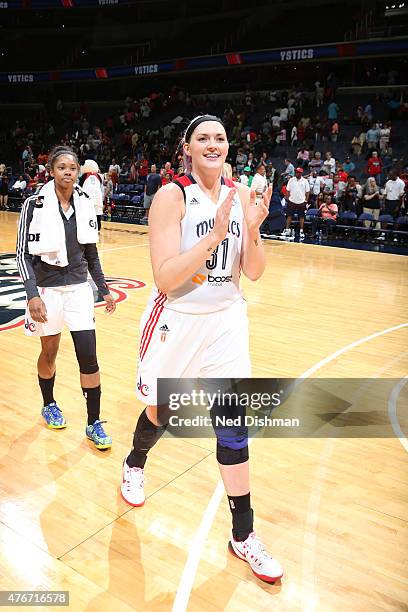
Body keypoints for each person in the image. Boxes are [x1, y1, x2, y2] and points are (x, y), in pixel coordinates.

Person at [120, 115, 283, 583]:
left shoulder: (241, 192)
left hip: (227, 319)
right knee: (161, 412)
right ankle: (135, 462)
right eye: (203, 138)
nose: (213, 144)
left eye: (220, 138)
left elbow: (253, 272)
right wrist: (214, 234)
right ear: (187, 148)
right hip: (178, 320)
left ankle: (243, 534)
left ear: (228, 147)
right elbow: (167, 279)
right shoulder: (172, 196)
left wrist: (251, 228)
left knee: (232, 423)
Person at [16, 146, 116, 449]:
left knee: (89, 356)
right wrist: (32, 295)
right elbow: (21, 254)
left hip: (77, 289)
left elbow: (91, 253)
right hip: (46, 289)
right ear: (52, 171)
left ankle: (93, 422)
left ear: (78, 171)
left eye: (73, 167)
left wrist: (104, 288)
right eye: (62, 167)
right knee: (50, 352)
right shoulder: (34, 204)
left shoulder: (85, 203)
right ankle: (49, 403)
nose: (68, 172)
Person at [282, 167, 310, 239]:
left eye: (298, 172)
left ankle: (301, 231)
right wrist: (288, 199)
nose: (296, 173)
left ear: (301, 173)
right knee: (289, 215)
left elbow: (307, 192)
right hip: (292, 201)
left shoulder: (305, 181)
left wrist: (306, 201)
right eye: (296, 172)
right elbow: (288, 190)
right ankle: (287, 230)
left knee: (301, 217)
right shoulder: (291, 180)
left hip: (301, 202)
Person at [79, 160, 104, 232]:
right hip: (97, 196)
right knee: (97, 212)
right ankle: (98, 228)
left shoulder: (84, 176)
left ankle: (87, 226)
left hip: (87, 196)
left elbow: (80, 185)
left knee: (87, 212)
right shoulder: (99, 176)